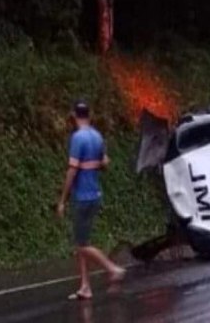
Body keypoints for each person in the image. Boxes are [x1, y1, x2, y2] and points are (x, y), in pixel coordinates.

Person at [57, 101, 125, 300]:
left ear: (73, 115)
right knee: (82, 241)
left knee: (81, 245)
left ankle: (112, 268)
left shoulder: (77, 138)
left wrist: (62, 199)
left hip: (82, 197)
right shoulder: (97, 136)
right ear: (90, 114)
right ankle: (85, 286)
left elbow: (72, 170)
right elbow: (105, 162)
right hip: (95, 194)